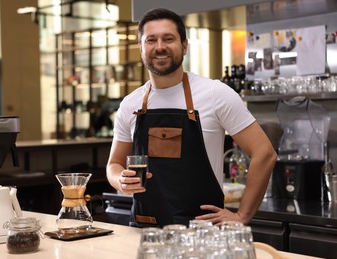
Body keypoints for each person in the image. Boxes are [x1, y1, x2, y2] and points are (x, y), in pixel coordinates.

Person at [106, 8, 277, 228]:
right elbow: (114, 165)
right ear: (141, 48)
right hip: (145, 232)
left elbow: (265, 153)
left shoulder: (216, 94)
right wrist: (120, 180)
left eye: (168, 39)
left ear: (184, 45)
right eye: (151, 40)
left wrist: (242, 215)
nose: (160, 47)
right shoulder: (130, 104)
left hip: (203, 234)